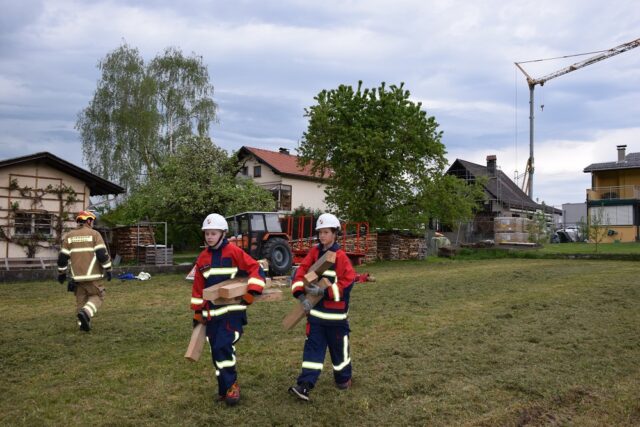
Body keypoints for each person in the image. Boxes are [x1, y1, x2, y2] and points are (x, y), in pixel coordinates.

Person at [190, 213, 266, 406]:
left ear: (223, 233)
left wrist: (252, 292)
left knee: (223, 347)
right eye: (206, 233)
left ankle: (232, 386)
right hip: (212, 317)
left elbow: (256, 270)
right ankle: (223, 389)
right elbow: (198, 288)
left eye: (213, 233)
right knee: (217, 352)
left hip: (232, 314)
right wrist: (197, 311)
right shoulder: (203, 257)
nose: (209, 237)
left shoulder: (233, 252)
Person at [288, 213, 357, 402]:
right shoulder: (314, 253)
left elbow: (348, 283)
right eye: (320, 232)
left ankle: (343, 379)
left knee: (340, 352)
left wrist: (324, 292)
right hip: (316, 317)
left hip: (336, 319)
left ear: (335, 234)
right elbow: (301, 272)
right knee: (312, 351)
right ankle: (305, 385)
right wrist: (300, 295)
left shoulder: (341, 257)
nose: (322, 236)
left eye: (326, 232)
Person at [56, 210, 112, 332]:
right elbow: (102, 255)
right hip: (93, 276)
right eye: (92, 221)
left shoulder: (69, 236)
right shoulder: (94, 234)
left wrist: (61, 273)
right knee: (98, 295)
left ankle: (82, 324)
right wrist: (108, 269)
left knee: (81, 300)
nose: (92, 223)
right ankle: (86, 313)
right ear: (88, 220)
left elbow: (62, 259)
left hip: (77, 278)